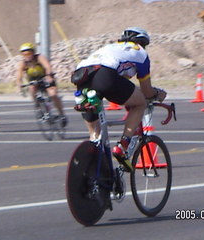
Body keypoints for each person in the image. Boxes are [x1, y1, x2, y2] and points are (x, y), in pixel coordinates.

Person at [71, 27, 166, 171]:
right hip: (105, 76)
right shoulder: (140, 53)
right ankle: (123, 145)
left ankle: (95, 151)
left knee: (95, 132)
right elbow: (146, 91)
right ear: (142, 42)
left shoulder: (111, 48)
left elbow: (123, 84)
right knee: (139, 103)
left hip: (81, 75)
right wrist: (158, 94)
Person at [16, 43, 67, 127]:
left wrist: (48, 75)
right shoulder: (23, 63)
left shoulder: (39, 58)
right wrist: (19, 86)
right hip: (34, 80)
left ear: (33, 52)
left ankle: (62, 115)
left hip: (45, 77)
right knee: (32, 88)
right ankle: (38, 106)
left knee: (53, 94)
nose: (27, 56)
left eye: (29, 53)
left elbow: (47, 67)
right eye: (24, 54)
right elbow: (18, 76)